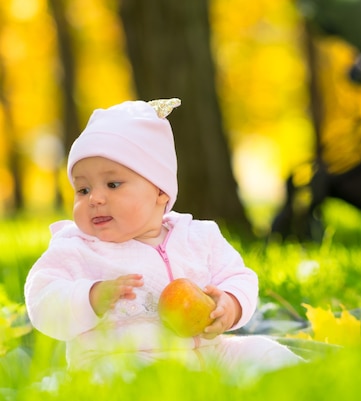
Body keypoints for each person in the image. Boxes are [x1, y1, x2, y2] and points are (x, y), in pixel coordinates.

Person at [24, 98, 302, 380]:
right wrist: (90, 296)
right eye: (82, 189)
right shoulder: (77, 247)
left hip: (207, 354)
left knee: (261, 350)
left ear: (160, 191)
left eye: (113, 184)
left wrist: (229, 304)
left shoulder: (198, 236)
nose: (94, 198)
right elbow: (41, 298)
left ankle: (303, 378)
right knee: (116, 376)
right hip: (121, 359)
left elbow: (238, 275)